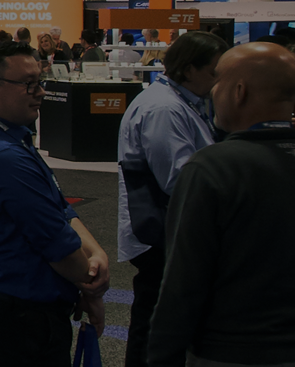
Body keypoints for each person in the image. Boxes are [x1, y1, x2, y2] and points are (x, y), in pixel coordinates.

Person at [148, 43, 295, 367]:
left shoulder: (211, 169)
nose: (212, 92)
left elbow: (181, 288)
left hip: (230, 355)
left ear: (239, 91)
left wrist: (162, 358)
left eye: (219, 82)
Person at [0, 41, 110, 365]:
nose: (40, 91)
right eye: (29, 84)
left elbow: (61, 207)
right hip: (21, 320)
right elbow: (58, 246)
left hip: (27, 313)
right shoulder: (2, 156)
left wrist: (97, 254)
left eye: (39, 81)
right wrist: (91, 285)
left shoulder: (12, 138)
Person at [116, 31, 228, 367]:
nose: (219, 80)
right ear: (189, 69)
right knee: (154, 324)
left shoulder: (183, 102)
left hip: (171, 230)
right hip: (159, 233)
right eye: (214, 72)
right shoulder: (163, 108)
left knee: (162, 320)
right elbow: (177, 178)